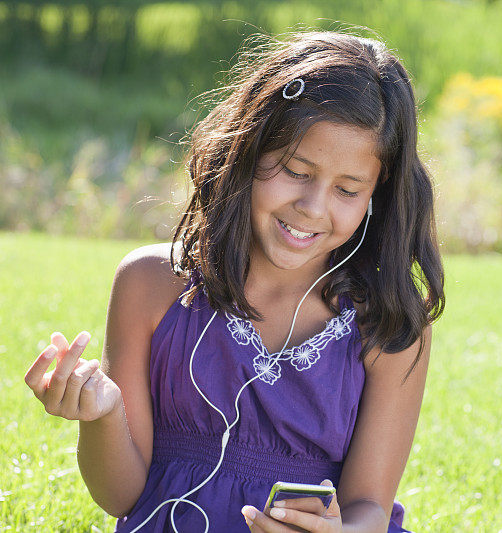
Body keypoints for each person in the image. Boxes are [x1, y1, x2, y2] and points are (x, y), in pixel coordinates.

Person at [23, 29, 444, 533]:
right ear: (248, 148)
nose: (313, 208)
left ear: (378, 195)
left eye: (348, 190)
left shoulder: (389, 324)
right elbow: (121, 497)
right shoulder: (153, 285)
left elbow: (370, 507)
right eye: (295, 170)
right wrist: (103, 415)